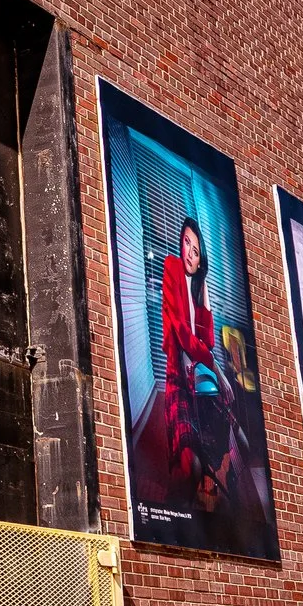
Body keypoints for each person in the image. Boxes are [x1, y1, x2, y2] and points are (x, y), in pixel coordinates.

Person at [132, 218, 237, 520]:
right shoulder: (172, 267)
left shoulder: (196, 287)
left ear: (202, 256)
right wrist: (216, 368)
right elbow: (180, 332)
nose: (189, 252)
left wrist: (204, 294)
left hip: (200, 385)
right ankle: (175, 516)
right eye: (186, 243)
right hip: (179, 378)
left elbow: (208, 341)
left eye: (195, 248)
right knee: (187, 462)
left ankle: (204, 504)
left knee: (218, 446)